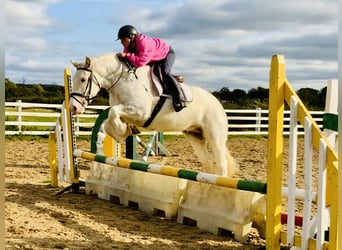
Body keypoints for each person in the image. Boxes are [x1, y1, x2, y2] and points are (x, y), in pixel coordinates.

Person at [116, 25, 185, 112]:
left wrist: (127, 56)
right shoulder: (128, 47)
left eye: (123, 39)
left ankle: (179, 99)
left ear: (131, 37)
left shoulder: (144, 43)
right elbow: (129, 63)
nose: (121, 42)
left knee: (165, 72)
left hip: (166, 54)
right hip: (153, 57)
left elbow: (140, 62)